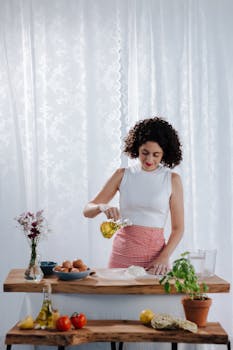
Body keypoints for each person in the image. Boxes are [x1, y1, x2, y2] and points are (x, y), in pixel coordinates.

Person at [83, 117, 184, 275]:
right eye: (145, 153)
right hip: (121, 254)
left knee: (154, 300)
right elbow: (87, 211)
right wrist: (102, 207)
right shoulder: (123, 175)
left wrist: (164, 258)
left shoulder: (172, 180)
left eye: (156, 155)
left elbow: (178, 228)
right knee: (116, 299)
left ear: (165, 154)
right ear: (137, 148)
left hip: (156, 259)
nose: (149, 159)